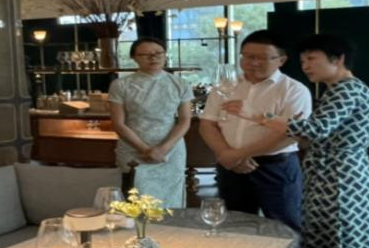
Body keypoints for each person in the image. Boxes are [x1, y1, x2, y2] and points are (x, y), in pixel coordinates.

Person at [248, 34, 369, 248]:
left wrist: (262, 117)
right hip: (328, 173)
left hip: (340, 177)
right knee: (323, 241)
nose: (305, 66)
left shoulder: (347, 90)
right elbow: (315, 135)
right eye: (302, 61)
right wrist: (295, 127)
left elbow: (317, 129)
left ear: (338, 59)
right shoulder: (338, 90)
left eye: (311, 59)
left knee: (340, 242)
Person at [200, 30, 312, 230]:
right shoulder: (226, 86)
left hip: (275, 167)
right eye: (248, 57)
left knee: (283, 226)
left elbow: (291, 134)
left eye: (262, 58)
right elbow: (207, 124)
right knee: (234, 225)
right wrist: (225, 154)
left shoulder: (294, 90)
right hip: (230, 166)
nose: (254, 63)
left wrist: (238, 155)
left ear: (281, 60)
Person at [108, 37, 194, 206]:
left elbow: (184, 121)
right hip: (135, 150)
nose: (153, 58)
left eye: (158, 53)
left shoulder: (180, 83)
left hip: (171, 150)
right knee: (137, 200)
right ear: (134, 58)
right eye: (145, 54)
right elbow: (119, 124)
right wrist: (146, 149)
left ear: (165, 55)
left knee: (171, 200)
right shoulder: (121, 85)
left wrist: (163, 149)